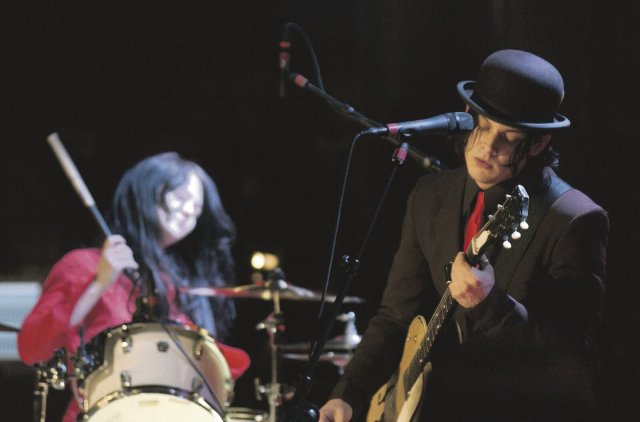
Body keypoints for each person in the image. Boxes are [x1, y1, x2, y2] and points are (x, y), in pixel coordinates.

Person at [319, 49, 608, 421]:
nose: (488, 147)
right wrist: (348, 394)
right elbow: (395, 317)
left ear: (538, 144)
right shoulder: (430, 196)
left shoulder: (573, 219)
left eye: (509, 135)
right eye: (482, 126)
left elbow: (572, 362)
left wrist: (490, 304)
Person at [18, 152, 250, 422]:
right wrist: (99, 283)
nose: (189, 212)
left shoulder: (176, 283)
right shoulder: (83, 265)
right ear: (146, 193)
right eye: (181, 198)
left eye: (197, 209)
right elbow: (32, 348)